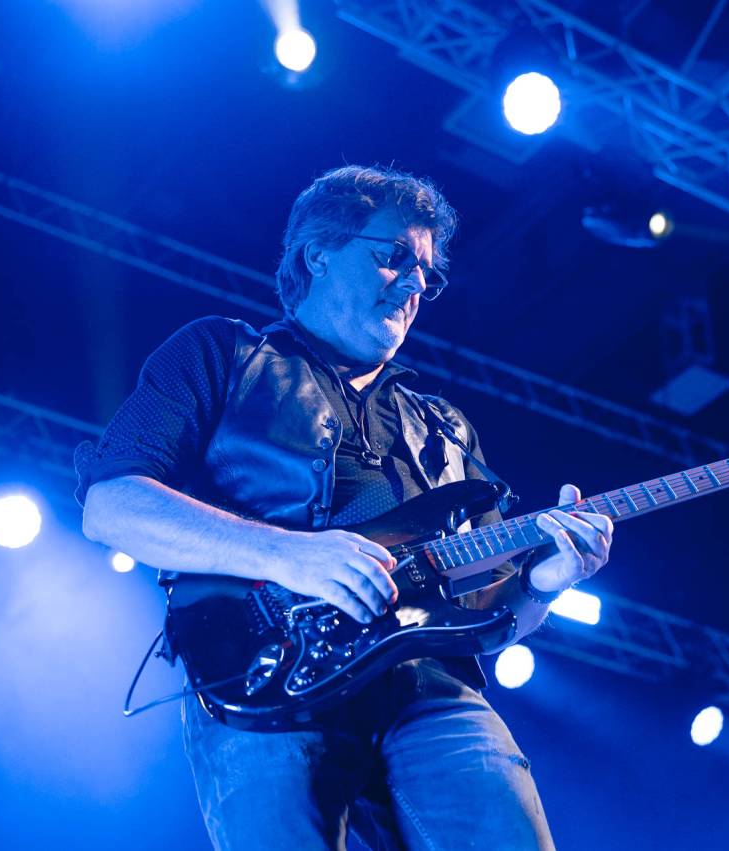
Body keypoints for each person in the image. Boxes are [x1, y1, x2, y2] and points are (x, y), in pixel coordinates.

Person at [77, 165, 614, 850]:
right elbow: (112, 505)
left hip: (429, 687)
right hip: (265, 675)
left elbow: (489, 615)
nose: (416, 286)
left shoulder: (445, 430)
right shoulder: (222, 353)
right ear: (319, 253)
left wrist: (545, 583)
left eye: (428, 275)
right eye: (396, 258)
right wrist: (287, 554)